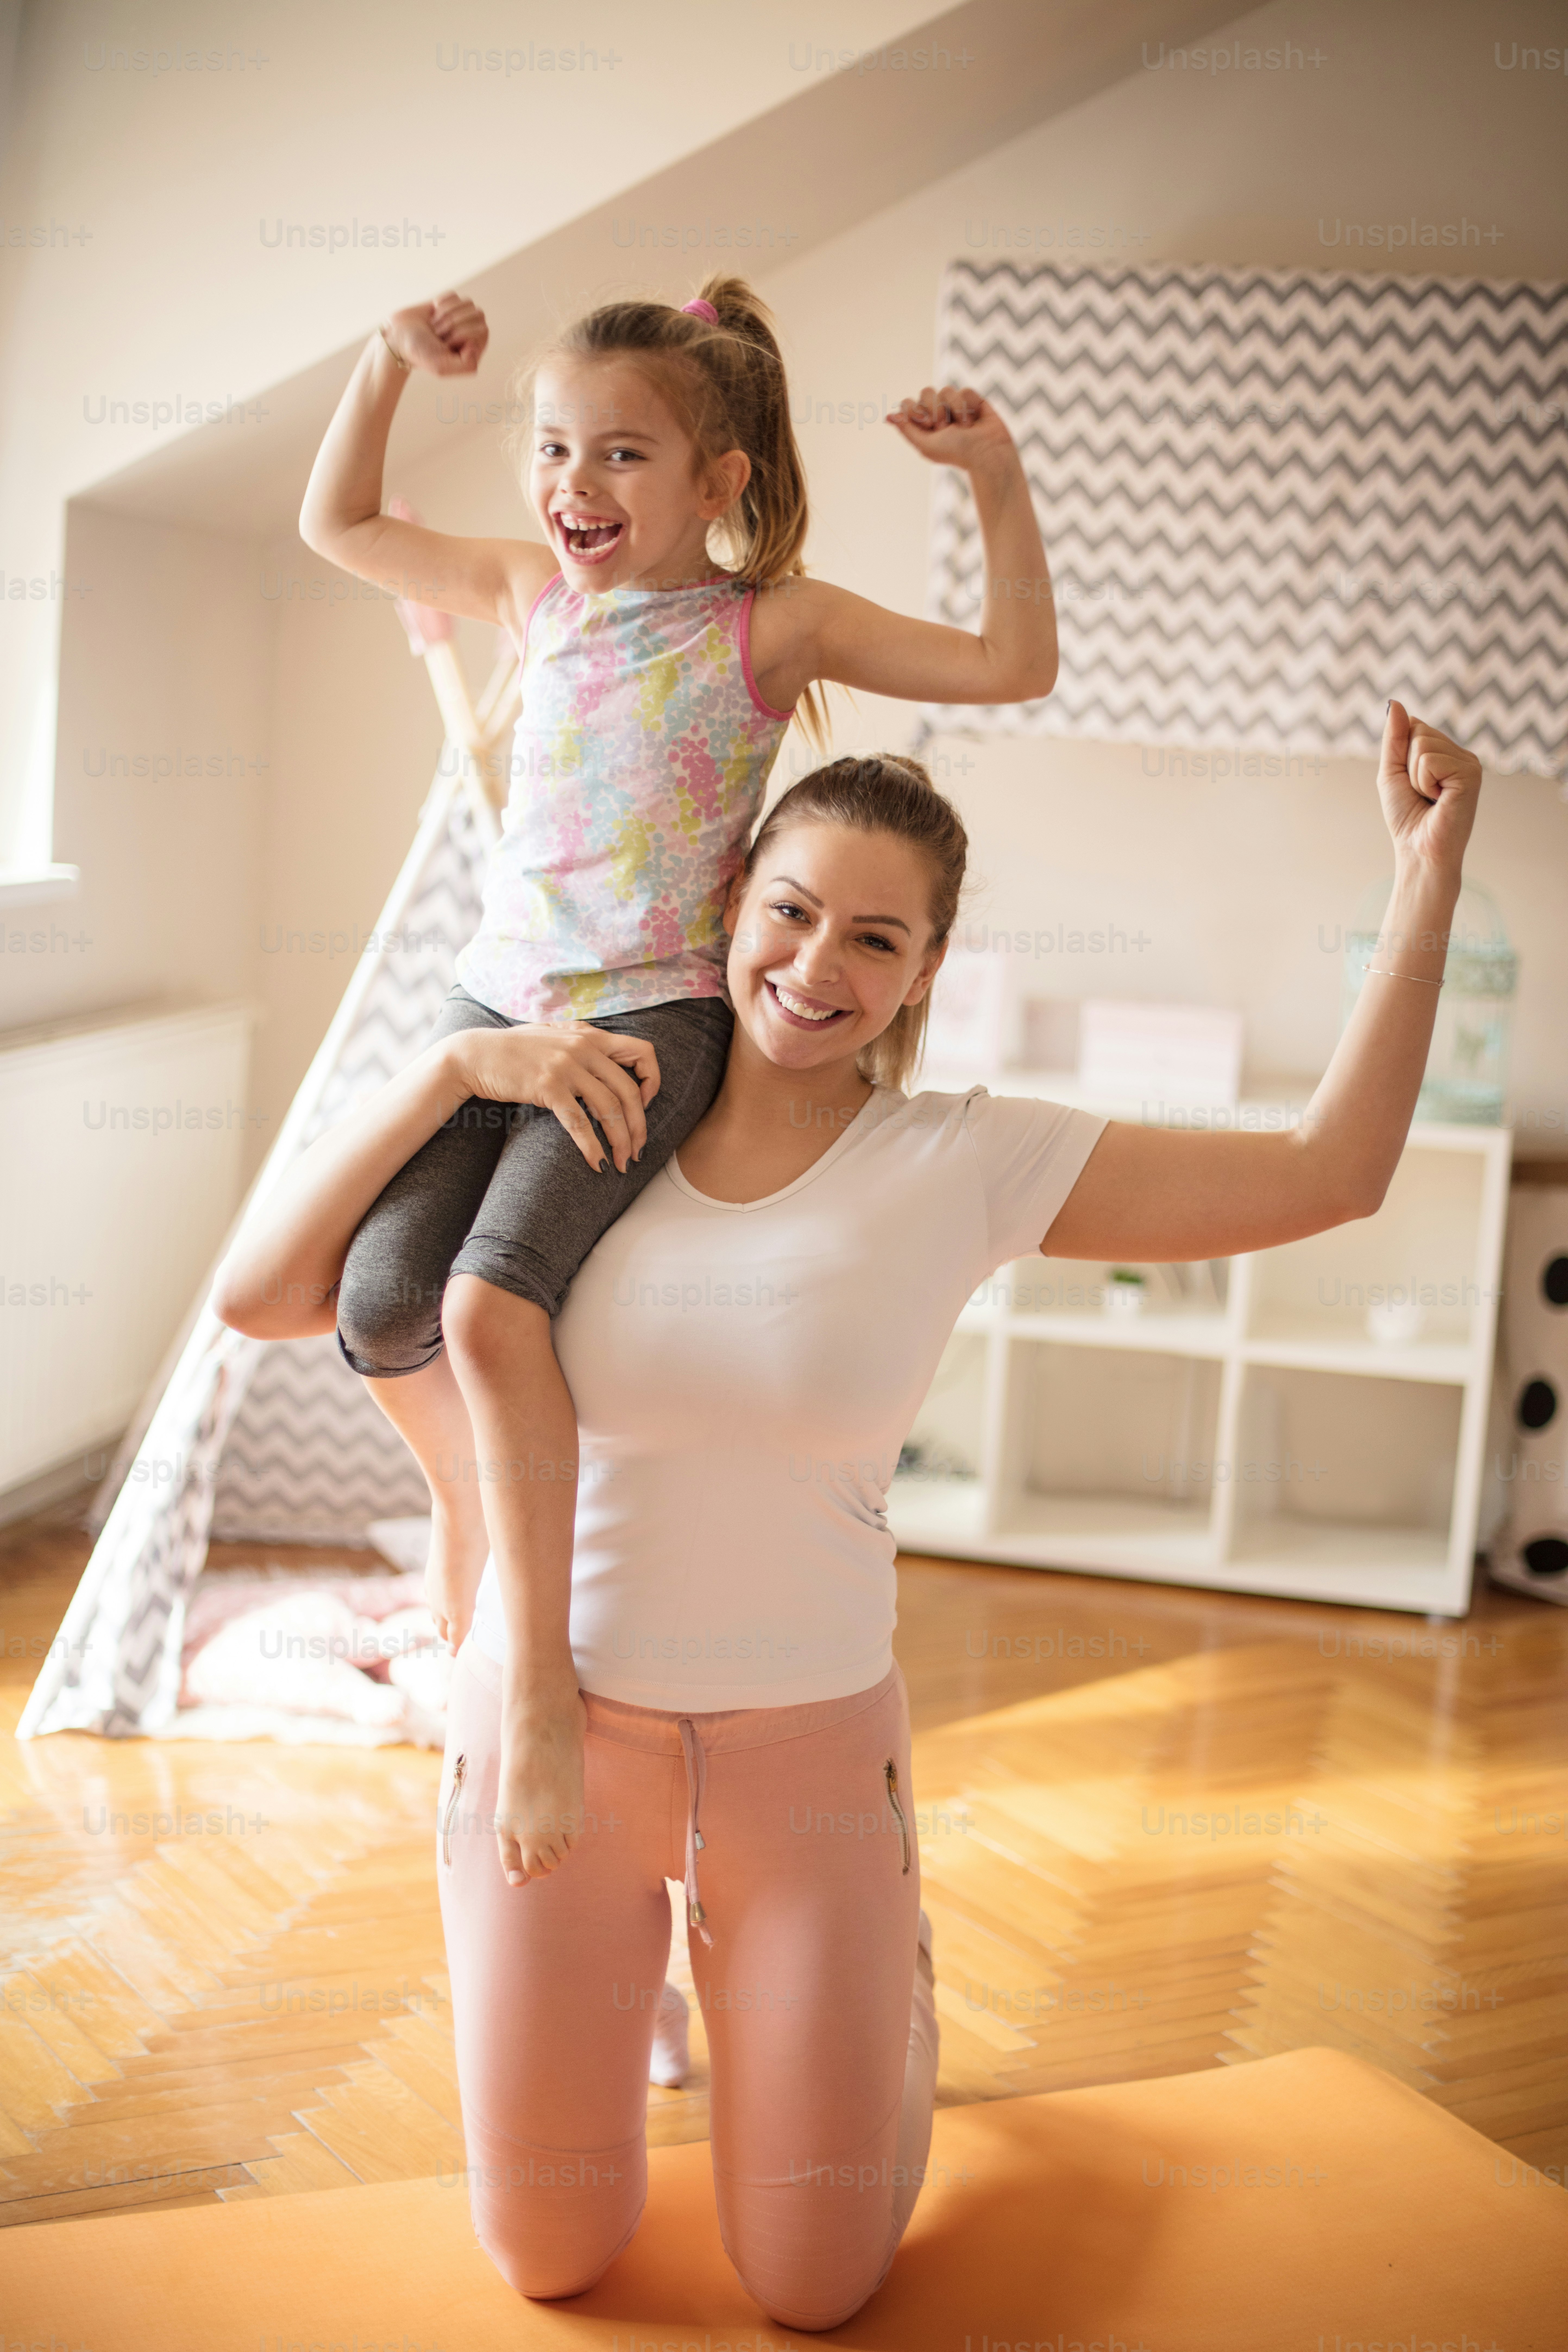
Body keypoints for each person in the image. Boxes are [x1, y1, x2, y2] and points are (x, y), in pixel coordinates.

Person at [213, 705, 1481, 2328]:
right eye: (793, 910)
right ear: (732, 901)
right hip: (550, 1749)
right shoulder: (586, 1124)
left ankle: (882, 1973)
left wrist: (1426, 877)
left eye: (876, 937)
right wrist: (462, 1061)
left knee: (816, 2283)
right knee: (552, 2258)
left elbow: (1332, 1171)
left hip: (806, 1765)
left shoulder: (959, 1161)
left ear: (927, 969)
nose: (819, 964)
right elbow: (264, 1295)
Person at [284, 277, 1059, 1878]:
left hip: (652, 1014)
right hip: (494, 1010)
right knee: (377, 1305)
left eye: (624, 456)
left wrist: (996, 481)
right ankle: (477, 1540)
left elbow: (1009, 665)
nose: (577, 485)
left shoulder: (767, 624)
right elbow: (342, 522)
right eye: (556, 448)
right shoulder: (526, 594)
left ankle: (543, 1682)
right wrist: (382, 367)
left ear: (721, 482)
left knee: (495, 1307)